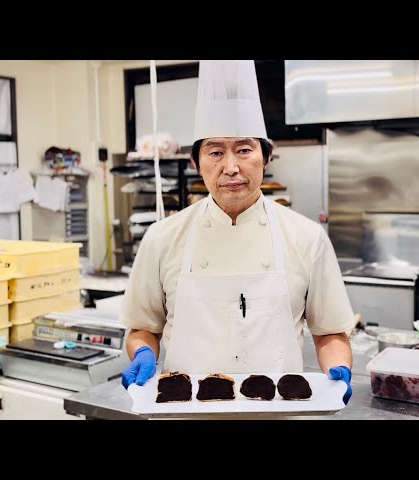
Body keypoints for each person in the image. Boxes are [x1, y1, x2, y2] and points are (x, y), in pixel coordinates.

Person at [119, 60, 354, 405]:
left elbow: (330, 332)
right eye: (215, 152)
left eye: (244, 150)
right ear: (197, 163)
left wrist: (339, 370)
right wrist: (142, 353)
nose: (231, 167)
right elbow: (143, 329)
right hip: (183, 413)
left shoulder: (307, 237)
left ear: (266, 157)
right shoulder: (162, 238)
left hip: (279, 414)